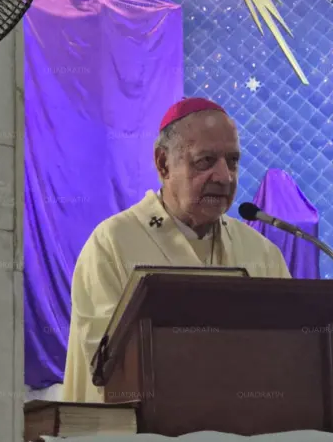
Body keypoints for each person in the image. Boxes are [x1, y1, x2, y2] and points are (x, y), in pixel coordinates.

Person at [62, 97, 291, 403]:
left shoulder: (262, 253)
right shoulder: (112, 243)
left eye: (232, 161)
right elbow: (112, 367)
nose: (224, 177)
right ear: (163, 164)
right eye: (205, 161)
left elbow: (289, 357)